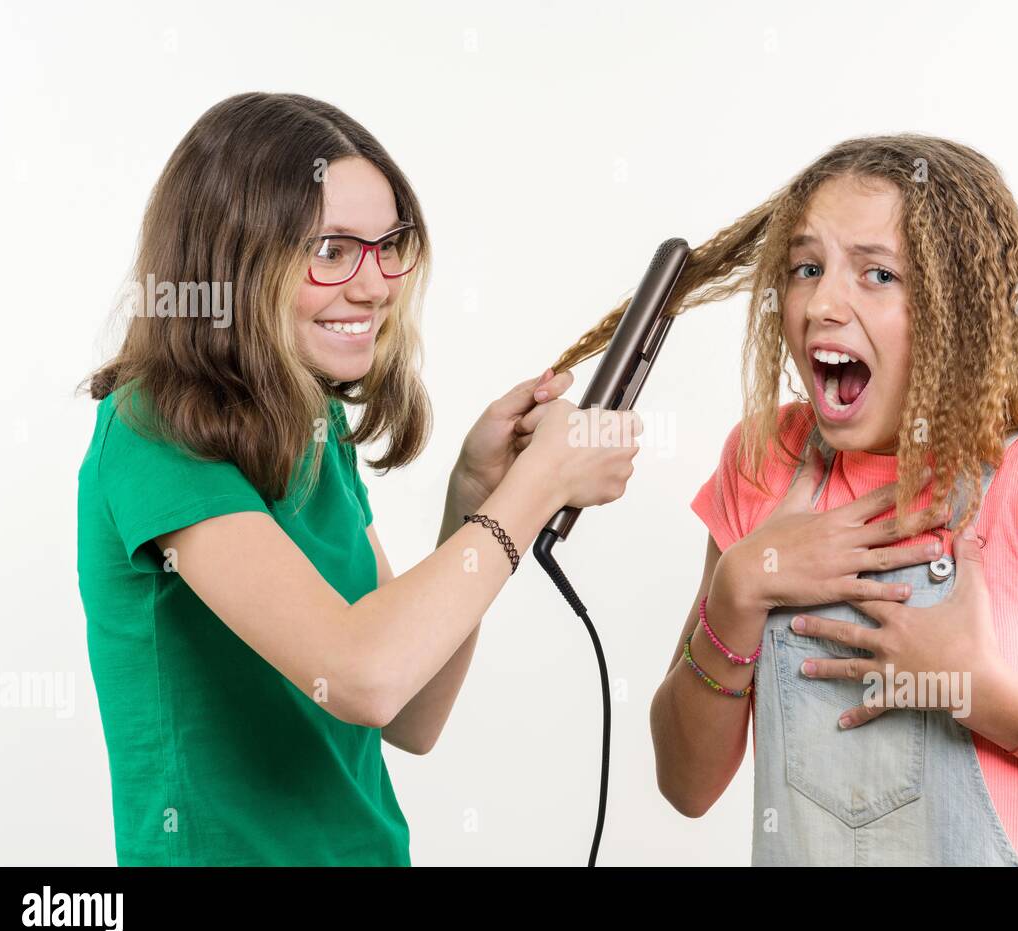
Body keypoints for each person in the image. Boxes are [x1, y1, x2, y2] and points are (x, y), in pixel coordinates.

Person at [550, 134, 1018, 865]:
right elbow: (685, 784)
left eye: (877, 274)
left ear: (962, 309)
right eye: (806, 268)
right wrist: (736, 592)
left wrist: (986, 694)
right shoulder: (765, 462)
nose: (823, 303)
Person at [76, 92, 641, 865]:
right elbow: (362, 676)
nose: (376, 286)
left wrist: (474, 495)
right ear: (232, 262)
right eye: (333, 250)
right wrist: (534, 488)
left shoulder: (311, 425)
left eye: (388, 246)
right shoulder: (154, 432)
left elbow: (408, 713)